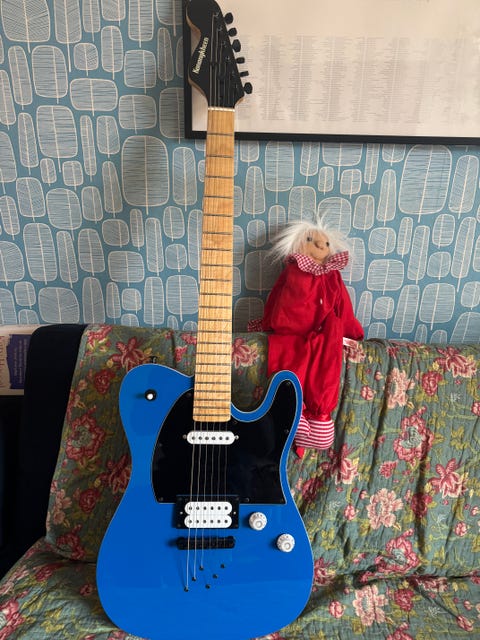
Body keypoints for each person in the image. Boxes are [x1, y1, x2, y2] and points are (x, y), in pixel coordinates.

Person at [249, 219, 364, 455]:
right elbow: (276, 296)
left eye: (326, 243)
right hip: (290, 330)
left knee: (327, 356)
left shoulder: (333, 276)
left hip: (323, 331)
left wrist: (352, 332)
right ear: (297, 243)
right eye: (311, 240)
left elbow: (343, 305)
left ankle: (319, 416)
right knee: (289, 352)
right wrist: (267, 322)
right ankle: (295, 410)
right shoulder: (293, 271)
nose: (320, 245)